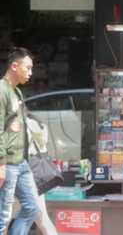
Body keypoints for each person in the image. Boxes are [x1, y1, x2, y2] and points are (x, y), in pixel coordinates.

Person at [0, 47, 38, 235]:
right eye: (28, 68)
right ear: (14, 66)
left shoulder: (17, 92)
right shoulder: (1, 90)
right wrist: (1, 164)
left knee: (32, 207)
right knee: (3, 217)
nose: (30, 73)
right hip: (7, 164)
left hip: (21, 162)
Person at [8, 115, 57, 235]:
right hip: (35, 177)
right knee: (43, 220)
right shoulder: (36, 126)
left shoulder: (15, 126)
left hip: (19, 176)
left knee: (5, 218)